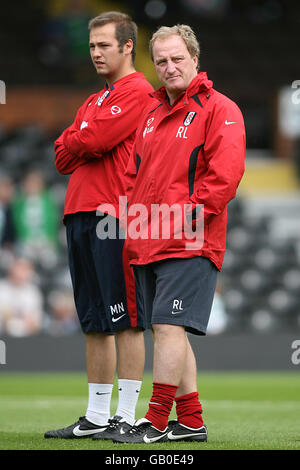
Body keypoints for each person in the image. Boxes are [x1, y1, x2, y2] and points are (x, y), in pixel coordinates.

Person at [113, 24, 246, 443]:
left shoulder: (220, 108)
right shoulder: (150, 115)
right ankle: (190, 422)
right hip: (147, 241)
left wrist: (179, 222)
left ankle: (153, 422)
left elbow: (224, 180)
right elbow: (134, 177)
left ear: (194, 58)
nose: (169, 67)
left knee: (169, 329)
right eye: (161, 61)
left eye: (177, 59)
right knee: (167, 329)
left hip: (191, 239)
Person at [44, 12, 154, 439]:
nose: (95, 53)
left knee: (124, 319)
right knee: (93, 321)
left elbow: (89, 142)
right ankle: (95, 416)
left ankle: (125, 417)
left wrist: (81, 137)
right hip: (79, 213)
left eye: (104, 45)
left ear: (128, 47)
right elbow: (61, 156)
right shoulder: (93, 101)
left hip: (115, 216)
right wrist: (81, 136)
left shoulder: (139, 90)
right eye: (91, 46)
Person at [0, 257, 44, 337]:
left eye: (25, 269)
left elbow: (36, 320)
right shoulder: (2, 288)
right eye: (20, 268)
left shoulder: (32, 291)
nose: (21, 273)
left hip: (26, 337)